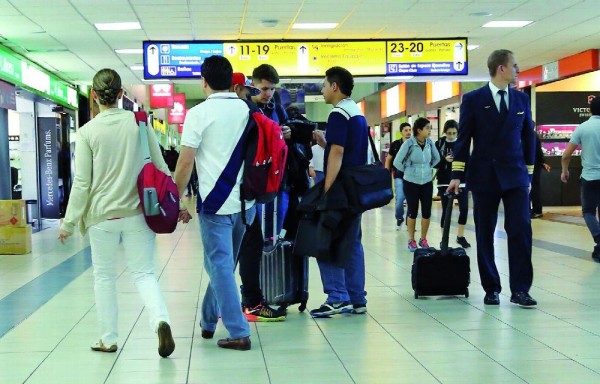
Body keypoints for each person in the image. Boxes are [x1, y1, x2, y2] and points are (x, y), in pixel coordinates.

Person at [57, 68, 175, 357]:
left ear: (94, 96)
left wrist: (69, 222)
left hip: (101, 218)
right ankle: (160, 320)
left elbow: (83, 183)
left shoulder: (86, 132)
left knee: (104, 277)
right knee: (144, 273)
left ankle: (108, 338)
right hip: (138, 212)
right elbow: (160, 168)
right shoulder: (139, 123)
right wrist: (179, 203)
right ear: (122, 94)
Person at [174, 56, 255, 351]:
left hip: (216, 205)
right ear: (232, 81)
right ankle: (208, 322)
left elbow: (185, 164)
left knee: (219, 266)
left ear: (204, 81)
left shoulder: (198, 114)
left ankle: (238, 331)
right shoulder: (249, 109)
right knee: (220, 265)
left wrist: (174, 198)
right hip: (247, 204)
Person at [447, 49, 537, 307]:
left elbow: (528, 137)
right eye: (515, 65)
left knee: (520, 229)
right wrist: (456, 174)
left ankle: (521, 289)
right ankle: (491, 288)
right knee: (485, 232)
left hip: (516, 175)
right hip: (484, 175)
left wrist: (529, 173)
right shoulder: (474, 99)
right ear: (501, 68)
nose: (518, 70)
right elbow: (463, 138)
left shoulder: (521, 100)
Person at [309, 66, 369, 318]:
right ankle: (357, 298)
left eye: (324, 85)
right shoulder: (356, 112)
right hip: (356, 188)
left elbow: (337, 152)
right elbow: (343, 147)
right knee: (352, 242)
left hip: (341, 188)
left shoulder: (338, 113)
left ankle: (337, 296)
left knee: (326, 240)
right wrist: (326, 142)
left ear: (334, 86)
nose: (322, 90)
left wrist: (327, 188)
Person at [231, 72, 287, 322]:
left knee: (224, 255)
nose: (251, 95)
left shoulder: (204, 114)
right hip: (242, 196)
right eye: (248, 90)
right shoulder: (248, 113)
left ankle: (221, 309)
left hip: (217, 197)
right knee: (246, 247)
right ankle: (250, 303)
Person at [561, 96, 600, 262]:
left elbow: (566, 155)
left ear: (590, 109)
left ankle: (599, 239)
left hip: (590, 177)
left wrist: (565, 170)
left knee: (588, 211)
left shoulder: (583, 128)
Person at [393, 118, 440, 252]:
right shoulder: (409, 144)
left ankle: (423, 239)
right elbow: (397, 162)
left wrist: (427, 167)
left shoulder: (430, 143)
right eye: (427, 128)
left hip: (426, 181)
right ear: (419, 130)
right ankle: (411, 239)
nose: (429, 130)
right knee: (412, 211)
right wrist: (409, 169)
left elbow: (437, 158)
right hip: (410, 182)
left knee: (426, 212)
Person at [435, 120, 471, 248]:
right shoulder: (439, 143)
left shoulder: (462, 143)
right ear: (445, 132)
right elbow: (433, 163)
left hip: (461, 181)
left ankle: (460, 236)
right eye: (449, 133)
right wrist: (444, 160)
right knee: (446, 209)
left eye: (454, 133)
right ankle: (443, 238)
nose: (451, 136)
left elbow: (468, 162)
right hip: (444, 181)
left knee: (464, 209)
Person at [385, 122, 412, 229]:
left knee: (411, 200)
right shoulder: (396, 144)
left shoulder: (414, 144)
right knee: (400, 198)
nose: (408, 132)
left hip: (412, 176)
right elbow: (389, 158)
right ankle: (399, 217)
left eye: (410, 130)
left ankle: (410, 221)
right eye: (406, 130)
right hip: (399, 176)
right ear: (401, 132)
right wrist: (386, 172)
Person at [530, 130, 551, 218]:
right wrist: (543, 162)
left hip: (529, 165)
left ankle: (534, 210)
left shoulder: (526, 134)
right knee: (535, 188)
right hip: (536, 165)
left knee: (531, 189)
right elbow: (539, 151)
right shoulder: (534, 134)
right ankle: (537, 210)